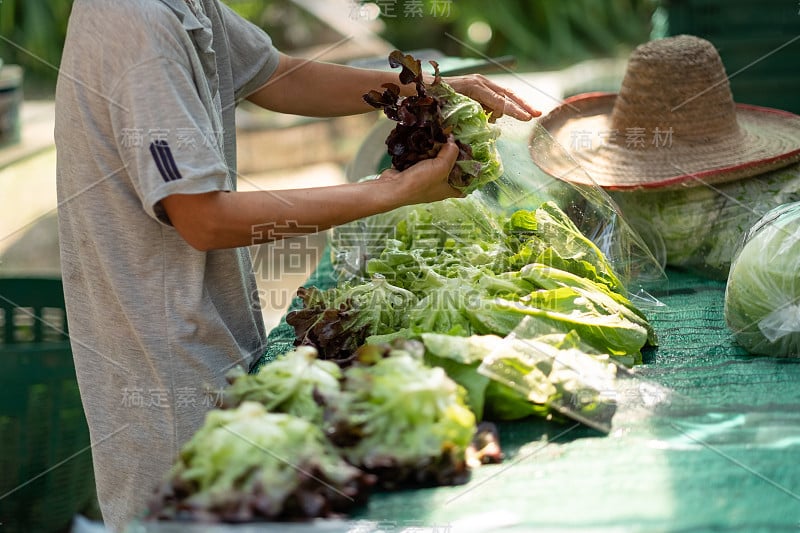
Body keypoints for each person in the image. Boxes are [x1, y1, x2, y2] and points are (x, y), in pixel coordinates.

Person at [54, 0, 539, 529]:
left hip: (210, 332)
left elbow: (276, 75)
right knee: (197, 509)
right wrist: (392, 192)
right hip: (165, 366)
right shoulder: (139, 26)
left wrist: (419, 91)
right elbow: (203, 219)